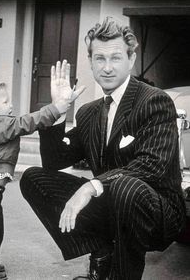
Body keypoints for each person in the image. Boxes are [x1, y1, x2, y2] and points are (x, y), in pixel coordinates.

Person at [20, 16, 186, 280]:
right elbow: (53, 161)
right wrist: (58, 112)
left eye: (116, 58)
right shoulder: (88, 113)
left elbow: (151, 166)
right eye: (99, 59)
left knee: (124, 185)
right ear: (91, 62)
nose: (107, 68)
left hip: (157, 213)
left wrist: (90, 186)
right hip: (111, 206)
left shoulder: (155, 101)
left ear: (131, 60)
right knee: (33, 178)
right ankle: (101, 252)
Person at [0, 74, 83, 280]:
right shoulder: (2, 124)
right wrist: (56, 108)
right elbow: (28, 122)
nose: (11, 104)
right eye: (5, 101)